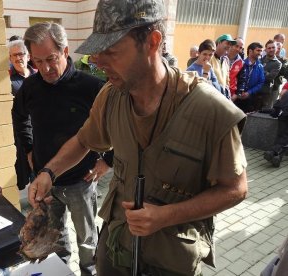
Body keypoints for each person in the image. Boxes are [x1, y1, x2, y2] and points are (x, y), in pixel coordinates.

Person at [27, 0, 248, 275]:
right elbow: (84, 141)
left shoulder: (210, 110)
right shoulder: (110, 97)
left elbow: (235, 188)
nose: (97, 60)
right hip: (116, 249)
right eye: (97, 51)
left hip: (172, 261)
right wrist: (49, 172)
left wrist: (165, 216)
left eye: (110, 51)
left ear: (153, 42)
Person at [12, 22, 110, 275]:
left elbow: (117, 126)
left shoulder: (91, 87)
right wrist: (30, 152)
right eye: (37, 61)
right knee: (54, 239)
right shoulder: (30, 87)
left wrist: (108, 160)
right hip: (47, 182)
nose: (45, 68)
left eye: (51, 59)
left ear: (65, 51)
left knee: (87, 239)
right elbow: (19, 116)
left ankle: (89, 271)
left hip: (81, 179)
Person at [8, 40, 37, 191]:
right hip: (25, 135)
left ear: (28, 56)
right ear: (10, 59)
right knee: (33, 173)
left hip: (43, 131)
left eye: (21, 54)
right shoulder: (8, 81)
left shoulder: (39, 76)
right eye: (14, 55)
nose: (19, 58)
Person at [234, 42, 265, 113]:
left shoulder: (260, 67)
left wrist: (249, 92)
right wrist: (239, 92)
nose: (260, 53)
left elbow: (260, 83)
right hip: (236, 96)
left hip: (249, 98)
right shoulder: (241, 63)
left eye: (261, 51)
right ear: (250, 51)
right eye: (258, 50)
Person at [263, 82, 288, 167]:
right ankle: (274, 152)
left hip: (282, 114)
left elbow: (281, 96)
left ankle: (276, 156)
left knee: (281, 135)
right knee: (285, 137)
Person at [259, 40, 282, 109]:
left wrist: (261, 70)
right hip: (254, 91)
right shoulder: (259, 60)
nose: (271, 50)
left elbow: (269, 78)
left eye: (273, 47)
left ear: (276, 48)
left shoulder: (278, 63)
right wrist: (266, 72)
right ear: (265, 49)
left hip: (265, 93)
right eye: (269, 48)